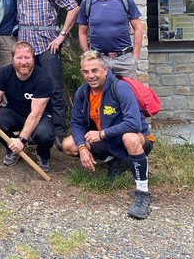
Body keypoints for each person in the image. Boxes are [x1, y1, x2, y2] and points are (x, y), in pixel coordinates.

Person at [62, 50, 154, 220]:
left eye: (95, 70)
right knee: (69, 144)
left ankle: (142, 193)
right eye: (86, 72)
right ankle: (118, 161)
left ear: (105, 70)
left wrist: (102, 134)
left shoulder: (120, 88)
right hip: (107, 140)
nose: (91, 76)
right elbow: (76, 124)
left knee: (130, 138)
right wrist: (82, 148)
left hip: (138, 138)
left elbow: (133, 124)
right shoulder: (83, 92)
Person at [15, 0, 78, 149]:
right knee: (28, 88)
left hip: (48, 44)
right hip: (26, 47)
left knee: (54, 88)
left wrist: (62, 36)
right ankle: (31, 129)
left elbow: (73, 7)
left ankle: (59, 131)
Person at [0, 41, 56, 172]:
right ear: (13, 59)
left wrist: (21, 140)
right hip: (15, 113)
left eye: (27, 57)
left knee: (45, 135)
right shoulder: (4, 73)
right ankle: (12, 149)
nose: (23, 62)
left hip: (39, 116)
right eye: (19, 58)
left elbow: (36, 114)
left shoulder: (43, 79)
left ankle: (43, 155)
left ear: (33, 58)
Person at [77, 0, 142, 78]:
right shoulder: (87, 3)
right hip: (99, 59)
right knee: (101, 94)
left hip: (124, 60)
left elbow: (138, 28)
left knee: (127, 94)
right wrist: (87, 55)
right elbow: (82, 32)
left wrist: (135, 57)